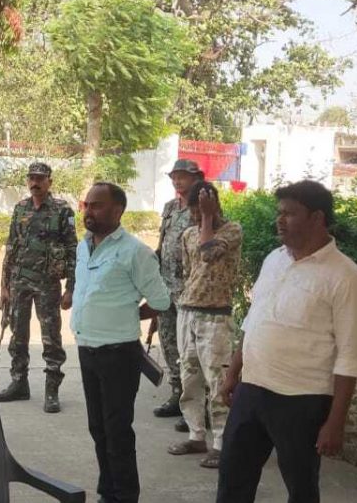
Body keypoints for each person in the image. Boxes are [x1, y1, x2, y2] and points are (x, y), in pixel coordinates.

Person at [216, 180, 357, 503]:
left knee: (300, 487)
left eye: (289, 213)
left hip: (302, 400)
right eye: (279, 213)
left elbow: (350, 355)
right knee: (232, 479)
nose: (280, 220)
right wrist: (233, 373)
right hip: (252, 389)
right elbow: (254, 320)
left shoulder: (345, 276)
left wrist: (335, 422)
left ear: (317, 218)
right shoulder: (275, 259)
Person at [71, 182, 172, 503]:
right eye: (87, 205)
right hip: (87, 350)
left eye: (97, 205)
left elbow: (161, 300)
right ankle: (108, 491)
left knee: (117, 431)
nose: (89, 211)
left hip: (118, 355)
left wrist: (129, 313)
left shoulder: (135, 252)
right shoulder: (83, 246)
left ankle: (125, 496)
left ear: (118, 211)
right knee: (98, 428)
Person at [168, 182, 242, 469]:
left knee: (218, 381)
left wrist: (209, 219)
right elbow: (189, 272)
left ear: (215, 204)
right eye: (195, 211)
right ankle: (196, 435)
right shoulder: (188, 234)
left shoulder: (231, 230)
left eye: (202, 210)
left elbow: (209, 253)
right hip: (188, 312)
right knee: (189, 378)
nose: (197, 217)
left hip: (216, 315)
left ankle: (222, 443)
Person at [0, 162, 77, 413]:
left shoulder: (62, 210)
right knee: (17, 335)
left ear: (49, 181)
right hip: (19, 281)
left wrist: (71, 288)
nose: (35, 183)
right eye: (31, 178)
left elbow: (72, 249)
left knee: (51, 337)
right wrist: (4, 286)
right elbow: (11, 246)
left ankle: (52, 390)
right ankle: (19, 383)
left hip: (47, 283)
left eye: (40, 178)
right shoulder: (21, 208)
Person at [153, 159, 205, 421]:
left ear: (196, 178)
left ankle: (196, 404)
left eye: (182, 176)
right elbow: (162, 243)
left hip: (189, 288)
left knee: (190, 348)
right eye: (174, 176)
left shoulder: (203, 208)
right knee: (169, 342)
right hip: (165, 287)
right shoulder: (170, 207)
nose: (177, 180)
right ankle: (177, 393)